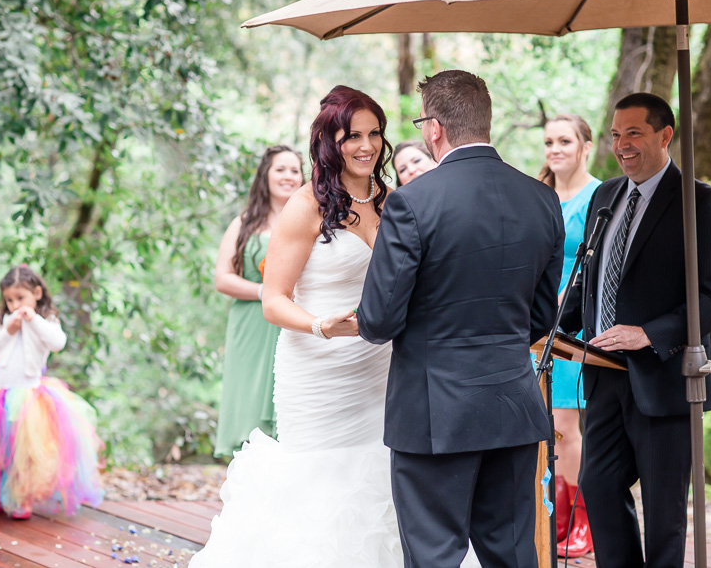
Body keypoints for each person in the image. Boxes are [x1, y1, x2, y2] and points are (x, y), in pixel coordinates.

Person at [191, 85, 478, 568]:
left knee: (383, 478)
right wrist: (320, 325)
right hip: (318, 366)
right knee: (321, 485)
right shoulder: (305, 206)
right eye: (353, 136)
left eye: (375, 134)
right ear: (330, 141)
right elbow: (274, 300)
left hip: (383, 365)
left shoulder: (394, 200)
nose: (367, 145)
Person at [358, 69, 565, 568]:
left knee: (434, 556)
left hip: (434, 412)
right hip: (513, 406)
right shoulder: (542, 198)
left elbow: (379, 320)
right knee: (514, 555)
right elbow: (541, 316)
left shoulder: (412, 202)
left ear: (434, 128)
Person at [560, 93, 711, 568]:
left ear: (665, 135)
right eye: (616, 135)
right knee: (597, 487)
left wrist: (648, 334)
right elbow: (593, 279)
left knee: (663, 513)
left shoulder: (700, 202)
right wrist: (553, 326)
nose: (622, 145)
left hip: (663, 379)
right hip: (602, 376)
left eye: (633, 133)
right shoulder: (605, 195)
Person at [0, 266, 103, 520]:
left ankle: (20, 497)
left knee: (22, 451)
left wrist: (32, 320)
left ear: (37, 293)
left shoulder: (45, 320)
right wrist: (9, 329)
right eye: (9, 299)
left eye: (21, 298)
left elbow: (57, 342)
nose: (15, 304)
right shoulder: (1, 321)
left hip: (31, 396)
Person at [212, 145, 304, 456]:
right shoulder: (244, 223)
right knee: (249, 401)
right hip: (252, 323)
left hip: (295, 320)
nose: (288, 176)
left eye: (294, 170)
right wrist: (265, 292)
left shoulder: (310, 219)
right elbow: (222, 278)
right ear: (265, 174)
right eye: (281, 169)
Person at [536, 114, 601, 557]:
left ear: (585, 146)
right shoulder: (538, 196)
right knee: (546, 424)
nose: (555, 149)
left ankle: (584, 519)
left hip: (575, 322)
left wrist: (568, 295)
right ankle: (554, 517)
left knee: (565, 424)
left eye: (564, 141)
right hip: (536, 322)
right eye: (548, 142)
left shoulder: (600, 194)